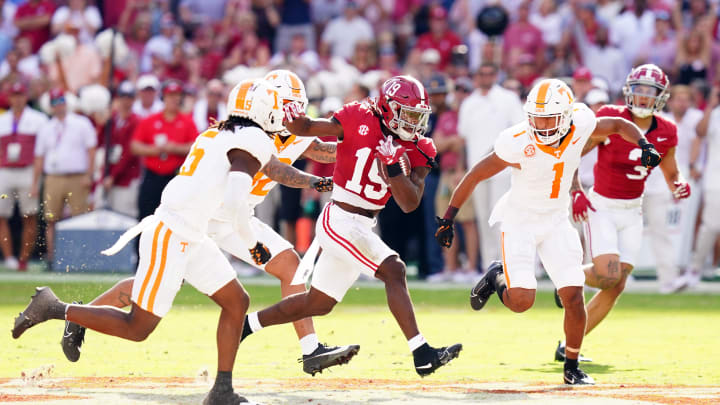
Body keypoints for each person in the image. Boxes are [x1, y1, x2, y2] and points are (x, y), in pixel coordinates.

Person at [60, 70, 360, 376]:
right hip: (217, 213)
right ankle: (79, 315)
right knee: (164, 283)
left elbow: (324, 150)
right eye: (288, 104)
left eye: (297, 105)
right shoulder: (249, 131)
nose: (294, 112)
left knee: (284, 267)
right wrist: (321, 183)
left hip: (235, 214)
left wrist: (365, 149)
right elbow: (278, 171)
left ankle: (310, 350)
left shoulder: (293, 133)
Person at [13, 78, 286, 405]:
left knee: (236, 301)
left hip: (189, 231)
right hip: (174, 231)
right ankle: (56, 308)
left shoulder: (219, 131)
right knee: (138, 327)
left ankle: (222, 391)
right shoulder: (252, 137)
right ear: (262, 111)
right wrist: (252, 243)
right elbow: (235, 202)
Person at [434, 78, 661, 385]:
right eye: (536, 116)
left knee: (573, 295)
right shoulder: (515, 140)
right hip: (520, 220)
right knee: (521, 302)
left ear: (567, 115)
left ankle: (571, 366)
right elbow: (476, 174)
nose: (540, 124)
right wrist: (448, 217)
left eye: (548, 117)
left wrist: (645, 145)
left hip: (556, 220)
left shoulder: (581, 122)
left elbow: (620, 125)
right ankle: (495, 276)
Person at [242, 75, 462, 377]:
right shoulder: (358, 116)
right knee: (394, 269)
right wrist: (291, 119)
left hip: (363, 225)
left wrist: (394, 169)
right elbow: (307, 128)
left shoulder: (421, 146)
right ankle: (421, 353)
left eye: (417, 116)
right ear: (387, 108)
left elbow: (410, 203)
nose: (413, 123)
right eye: (407, 114)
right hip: (340, 218)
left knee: (317, 303)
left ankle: (246, 325)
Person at [555, 64, 690, 359]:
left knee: (615, 287)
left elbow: (671, 173)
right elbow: (573, 152)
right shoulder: (610, 118)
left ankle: (568, 346)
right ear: (629, 91)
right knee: (607, 275)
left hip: (633, 211)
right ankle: (565, 277)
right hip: (601, 205)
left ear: (660, 96)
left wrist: (678, 185)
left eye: (649, 91)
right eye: (638, 90)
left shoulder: (666, 131)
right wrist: (576, 190)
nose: (642, 97)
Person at [33, 88, 97, 265]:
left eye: (60, 102)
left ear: (66, 103)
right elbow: (39, 157)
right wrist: (35, 182)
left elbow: (91, 150)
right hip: (53, 176)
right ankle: (52, 258)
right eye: (55, 103)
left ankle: (79, 258)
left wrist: (89, 175)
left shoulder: (81, 123)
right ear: (51, 106)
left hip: (77, 175)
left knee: (79, 219)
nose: (58, 106)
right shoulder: (46, 128)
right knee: (51, 219)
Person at [131, 80, 196, 221]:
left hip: (176, 176)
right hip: (153, 175)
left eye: (177, 95)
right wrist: (154, 150)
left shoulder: (187, 122)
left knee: (176, 218)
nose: (175, 99)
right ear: (163, 98)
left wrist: (175, 148)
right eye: (171, 95)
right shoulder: (150, 120)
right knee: (146, 217)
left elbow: (196, 146)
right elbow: (135, 146)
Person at [0, 81, 47, 271]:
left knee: (30, 214)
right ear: (9, 98)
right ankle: (9, 256)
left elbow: (40, 151)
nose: (17, 99)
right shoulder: (3, 120)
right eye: (14, 95)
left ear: (25, 97)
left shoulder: (38, 119)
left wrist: (36, 179)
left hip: (27, 169)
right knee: (1, 214)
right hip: (6, 169)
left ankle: (23, 259)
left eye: (20, 95)